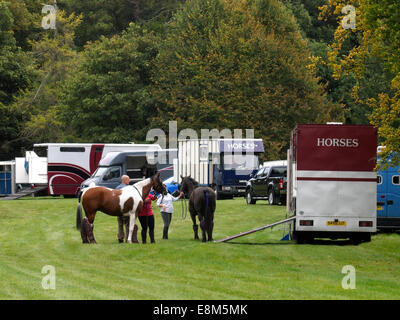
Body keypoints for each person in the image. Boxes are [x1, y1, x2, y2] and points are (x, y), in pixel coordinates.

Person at [116, 175, 134, 243]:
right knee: (127, 224)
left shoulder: (117, 188)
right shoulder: (127, 188)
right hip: (126, 209)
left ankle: (120, 238)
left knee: (120, 224)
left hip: (118, 209)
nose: (129, 181)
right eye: (128, 180)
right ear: (125, 180)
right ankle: (127, 238)